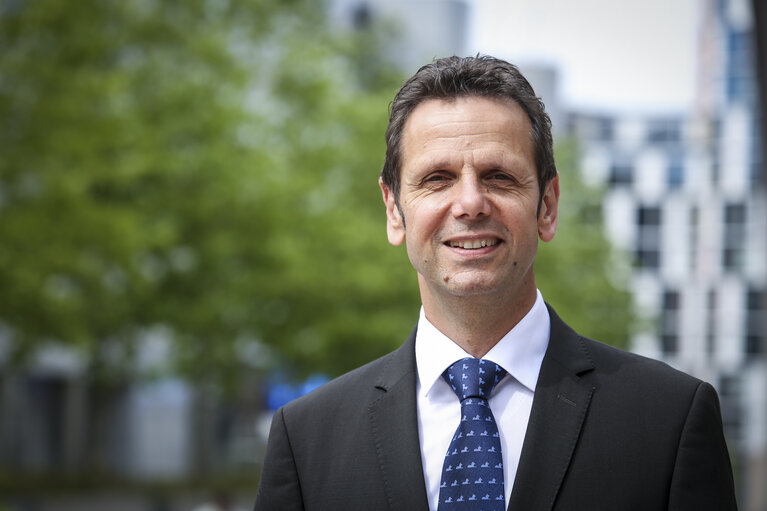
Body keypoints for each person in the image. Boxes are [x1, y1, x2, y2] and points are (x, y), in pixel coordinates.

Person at [254, 55, 737, 510]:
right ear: (393, 210)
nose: (469, 203)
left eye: (499, 177)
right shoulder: (306, 438)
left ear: (547, 207)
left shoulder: (669, 421)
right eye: (437, 178)